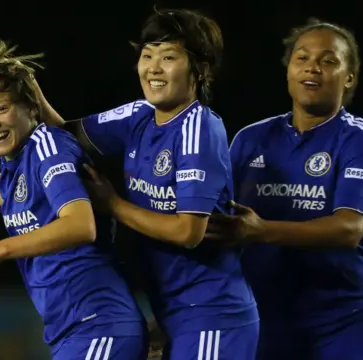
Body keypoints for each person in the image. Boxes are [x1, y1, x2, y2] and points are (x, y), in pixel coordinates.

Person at [35, 8, 259, 360]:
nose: (153, 68)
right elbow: (67, 135)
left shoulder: (198, 129)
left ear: (199, 69)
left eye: (168, 57)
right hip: (171, 311)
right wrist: (28, 93)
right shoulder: (139, 115)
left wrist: (112, 206)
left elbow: (189, 232)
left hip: (212, 315)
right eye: (147, 55)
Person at [0, 41, 148, 359]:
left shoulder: (48, 146)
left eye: (2, 108)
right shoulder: (19, 160)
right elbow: (14, 197)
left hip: (99, 327)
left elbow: (81, 225)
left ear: (31, 108)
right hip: (74, 332)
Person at [206, 18, 363, 360]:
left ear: (349, 77)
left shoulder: (360, 138)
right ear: (288, 70)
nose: (312, 67)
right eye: (302, 57)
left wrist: (262, 231)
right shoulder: (251, 139)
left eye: (328, 60)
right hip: (267, 320)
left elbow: (348, 229)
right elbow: (219, 226)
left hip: (350, 318)